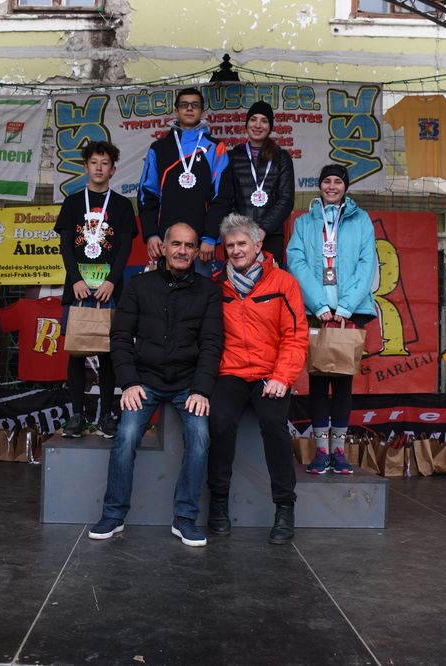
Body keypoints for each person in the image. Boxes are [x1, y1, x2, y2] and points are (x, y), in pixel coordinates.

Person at [88, 223, 223, 547]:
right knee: (126, 436)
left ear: (196, 251)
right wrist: (129, 382)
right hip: (144, 380)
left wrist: (201, 389)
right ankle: (113, 515)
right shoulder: (139, 285)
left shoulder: (208, 291)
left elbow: (212, 343)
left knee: (200, 438)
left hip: (188, 383)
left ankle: (185, 518)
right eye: (176, 244)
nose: (182, 251)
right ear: (163, 247)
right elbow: (120, 337)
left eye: (189, 246)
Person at [207, 214, 308, 544]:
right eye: (230, 246)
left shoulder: (283, 283)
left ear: (258, 245)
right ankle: (218, 504)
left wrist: (282, 377)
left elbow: (295, 336)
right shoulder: (217, 285)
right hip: (231, 372)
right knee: (219, 421)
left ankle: (285, 508)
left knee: (273, 424)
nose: (236, 251)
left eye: (242, 244)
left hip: (270, 373)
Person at [286, 164, 379, 475]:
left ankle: (339, 451)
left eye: (338, 181)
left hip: (350, 312)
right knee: (317, 379)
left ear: (345, 187)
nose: (331, 186)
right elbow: (296, 261)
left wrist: (345, 307)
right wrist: (319, 303)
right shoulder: (304, 221)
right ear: (319, 185)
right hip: (315, 311)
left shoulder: (361, 220)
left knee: (342, 381)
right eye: (326, 180)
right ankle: (321, 452)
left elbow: (367, 263)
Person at [55, 140, 137, 439]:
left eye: (105, 163)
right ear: (86, 167)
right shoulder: (73, 203)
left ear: (113, 170)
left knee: (108, 353)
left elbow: (125, 248)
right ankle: (77, 415)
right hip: (78, 288)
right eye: (94, 163)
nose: (99, 168)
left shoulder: (122, 205)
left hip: (109, 289)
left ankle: (106, 416)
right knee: (76, 351)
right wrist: (76, 279)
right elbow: (66, 246)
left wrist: (112, 281)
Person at [138, 87, 232, 275]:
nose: (189, 108)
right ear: (176, 111)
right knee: (165, 291)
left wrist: (210, 237)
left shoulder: (216, 148)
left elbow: (222, 197)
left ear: (202, 111)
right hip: (166, 242)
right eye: (184, 105)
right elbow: (147, 194)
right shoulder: (159, 148)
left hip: (201, 244)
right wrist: (151, 234)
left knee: (199, 292)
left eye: (195, 105)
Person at [227, 101, 295, 265]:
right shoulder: (233, 157)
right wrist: (242, 230)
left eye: (264, 121)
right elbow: (227, 197)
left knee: (270, 279)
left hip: (271, 235)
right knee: (239, 279)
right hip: (239, 236)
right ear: (246, 124)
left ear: (270, 127)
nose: (258, 125)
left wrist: (263, 229)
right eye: (253, 120)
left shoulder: (281, 157)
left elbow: (286, 199)